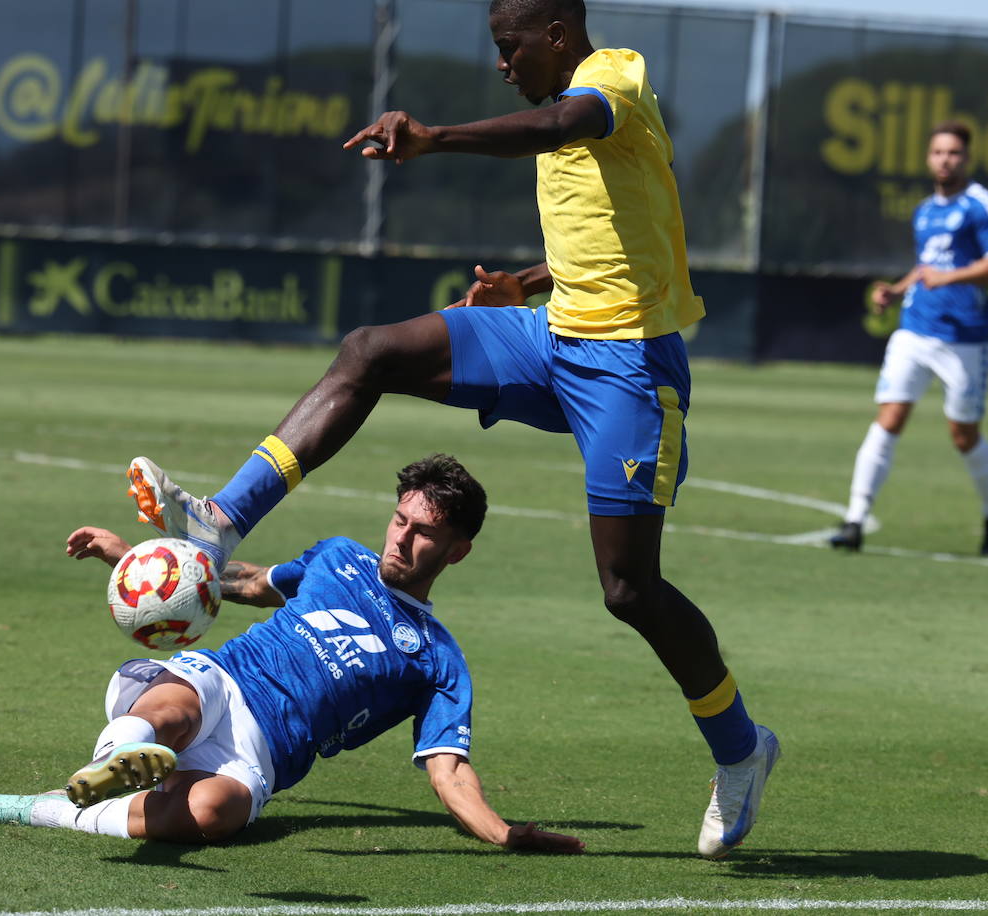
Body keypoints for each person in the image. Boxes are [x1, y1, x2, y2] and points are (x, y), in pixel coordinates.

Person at [120, 0, 778, 859]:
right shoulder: (565, 101)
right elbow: (621, 222)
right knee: (371, 352)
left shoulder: (612, 75)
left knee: (629, 590)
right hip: (553, 334)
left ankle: (741, 749)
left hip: (629, 368)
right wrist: (532, 280)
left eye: (510, 48)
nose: (503, 63)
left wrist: (433, 139)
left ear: (555, 33)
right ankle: (222, 518)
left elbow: (560, 125)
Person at [0, 455, 584, 854]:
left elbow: (448, 770)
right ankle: (115, 761)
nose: (402, 539)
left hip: (266, 754)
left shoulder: (439, 661)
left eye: (424, 533)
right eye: (399, 520)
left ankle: (43, 809)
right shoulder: (339, 557)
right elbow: (248, 584)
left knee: (216, 814)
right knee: (174, 711)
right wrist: (138, 562)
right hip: (224, 680)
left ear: (457, 551)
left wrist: (503, 832)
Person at [830, 120, 988, 556]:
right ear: (928, 158)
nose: (945, 160)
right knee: (889, 418)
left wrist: (951, 276)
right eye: (937, 152)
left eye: (953, 153)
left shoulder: (980, 205)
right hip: (914, 329)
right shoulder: (925, 211)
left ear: (967, 158)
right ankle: (855, 519)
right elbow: (926, 266)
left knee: (963, 436)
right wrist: (897, 290)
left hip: (964, 339)